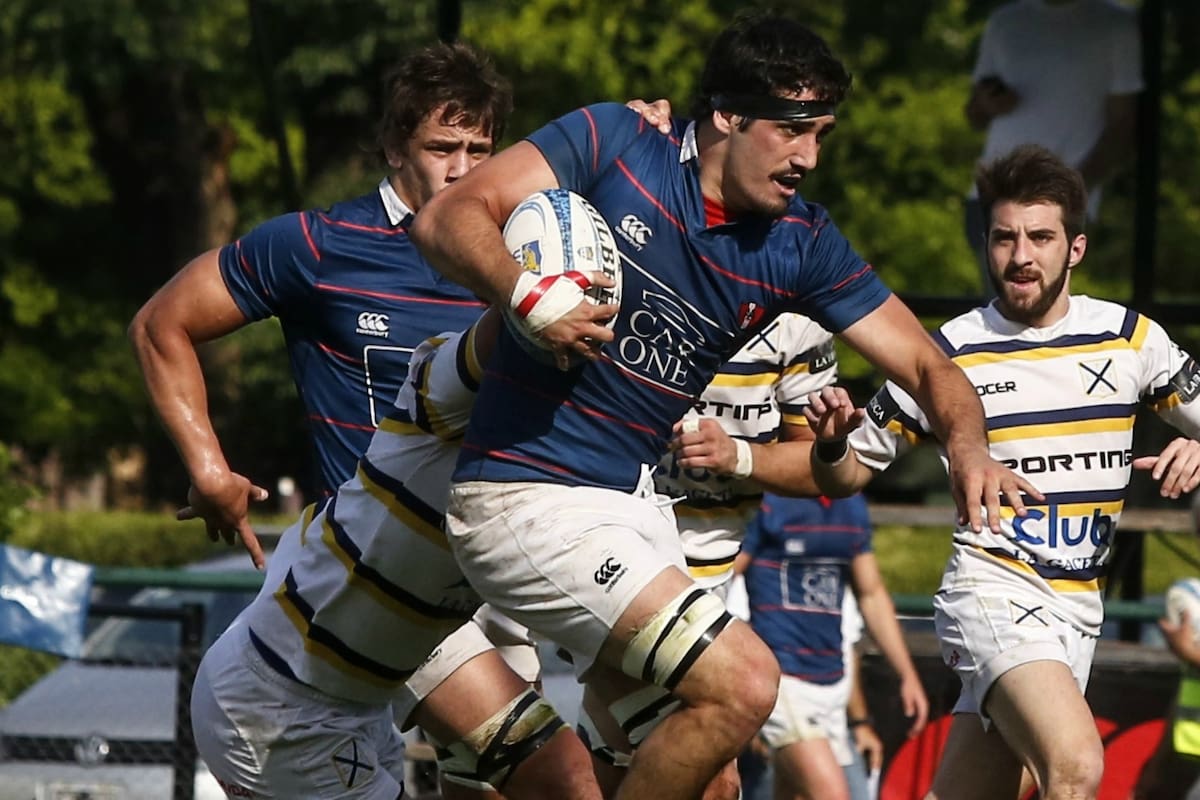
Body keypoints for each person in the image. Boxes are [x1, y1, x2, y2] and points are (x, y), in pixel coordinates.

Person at [411, 11, 1035, 798]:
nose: (809, 156)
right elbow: (448, 217)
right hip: (523, 497)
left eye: (823, 134)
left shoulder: (801, 243)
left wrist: (969, 445)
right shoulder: (613, 142)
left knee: (714, 781)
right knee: (743, 684)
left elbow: (923, 361)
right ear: (728, 116)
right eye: (792, 130)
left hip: (626, 509)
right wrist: (525, 294)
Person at [129, 41, 671, 799]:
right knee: (563, 778)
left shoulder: (516, 258)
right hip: (374, 573)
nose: (462, 166)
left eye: (480, 148)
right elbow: (163, 323)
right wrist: (208, 469)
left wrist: (644, 147)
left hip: (489, 565)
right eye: (441, 146)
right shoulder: (321, 246)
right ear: (390, 146)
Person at [804, 144, 1200, 800]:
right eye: (1004, 238)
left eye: (1040, 237)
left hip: (1079, 607)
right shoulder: (946, 353)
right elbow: (844, 476)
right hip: (993, 594)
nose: (1021, 256)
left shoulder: (1132, 339)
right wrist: (828, 445)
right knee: (1076, 766)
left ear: (1075, 248)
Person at [736, 492, 928, 800]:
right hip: (783, 679)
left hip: (831, 683)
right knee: (833, 795)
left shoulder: (850, 504)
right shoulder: (768, 501)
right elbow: (723, 575)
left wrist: (907, 673)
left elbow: (872, 594)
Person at [963, 0, 1142, 291]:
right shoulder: (1004, 21)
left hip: (1060, 203)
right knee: (1005, 314)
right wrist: (987, 102)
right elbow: (974, 114)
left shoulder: (1115, 24)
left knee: (1038, 312)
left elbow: (1122, 126)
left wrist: (1073, 189)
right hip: (991, 195)